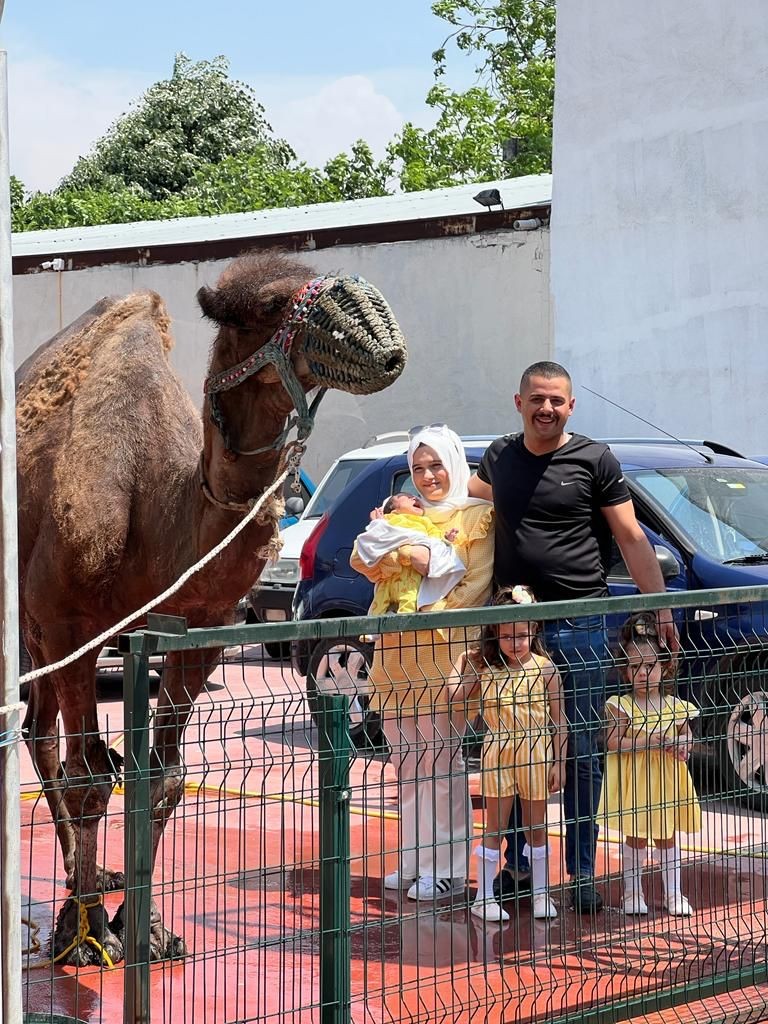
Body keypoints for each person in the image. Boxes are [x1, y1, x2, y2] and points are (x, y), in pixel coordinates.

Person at [468, 360, 678, 913]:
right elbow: (458, 509)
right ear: (519, 404)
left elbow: (631, 537)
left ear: (571, 406)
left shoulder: (595, 459)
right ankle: (515, 867)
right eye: (537, 399)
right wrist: (409, 509)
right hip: (514, 629)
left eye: (557, 400)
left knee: (581, 750)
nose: (546, 409)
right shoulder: (499, 458)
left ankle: (580, 871)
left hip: (581, 622)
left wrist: (660, 611)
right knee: (512, 747)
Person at [350, 425, 494, 902]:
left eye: (436, 465)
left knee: (441, 762)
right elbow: (365, 561)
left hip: (446, 651)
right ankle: (414, 858)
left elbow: (475, 585)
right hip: (396, 656)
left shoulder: (478, 517)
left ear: (454, 463)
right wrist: (404, 552)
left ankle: (448, 866)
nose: (428, 476)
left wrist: (419, 589)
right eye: (418, 468)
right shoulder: (400, 518)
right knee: (406, 761)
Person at [450, 585, 566, 922]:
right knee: (495, 827)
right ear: (495, 636)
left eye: (521, 635)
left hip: (537, 753)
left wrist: (559, 762)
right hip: (498, 752)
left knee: (537, 827)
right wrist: (467, 661)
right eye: (506, 637)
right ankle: (483, 897)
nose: (514, 643)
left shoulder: (546, 670)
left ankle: (542, 893)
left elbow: (560, 723)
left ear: (533, 631)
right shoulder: (486, 669)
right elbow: (455, 697)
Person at [599, 612, 700, 916]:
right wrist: (649, 741)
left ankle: (674, 893)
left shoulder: (677, 707)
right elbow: (613, 742)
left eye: (649, 665)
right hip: (639, 783)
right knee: (637, 837)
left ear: (663, 666)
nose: (643, 673)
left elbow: (688, 738)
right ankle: (632, 893)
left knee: (668, 836)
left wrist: (682, 746)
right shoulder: (621, 706)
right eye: (635, 667)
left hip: (667, 784)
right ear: (626, 672)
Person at [355, 492, 466, 616]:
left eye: (416, 497)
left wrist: (446, 539)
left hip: (411, 574)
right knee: (379, 602)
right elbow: (379, 535)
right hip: (389, 577)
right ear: (393, 508)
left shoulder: (425, 522)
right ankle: (374, 631)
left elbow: (435, 542)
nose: (414, 498)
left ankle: (403, 625)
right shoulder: (389, 520)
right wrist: (378, 523)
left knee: (409, 598)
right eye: (407, 497)